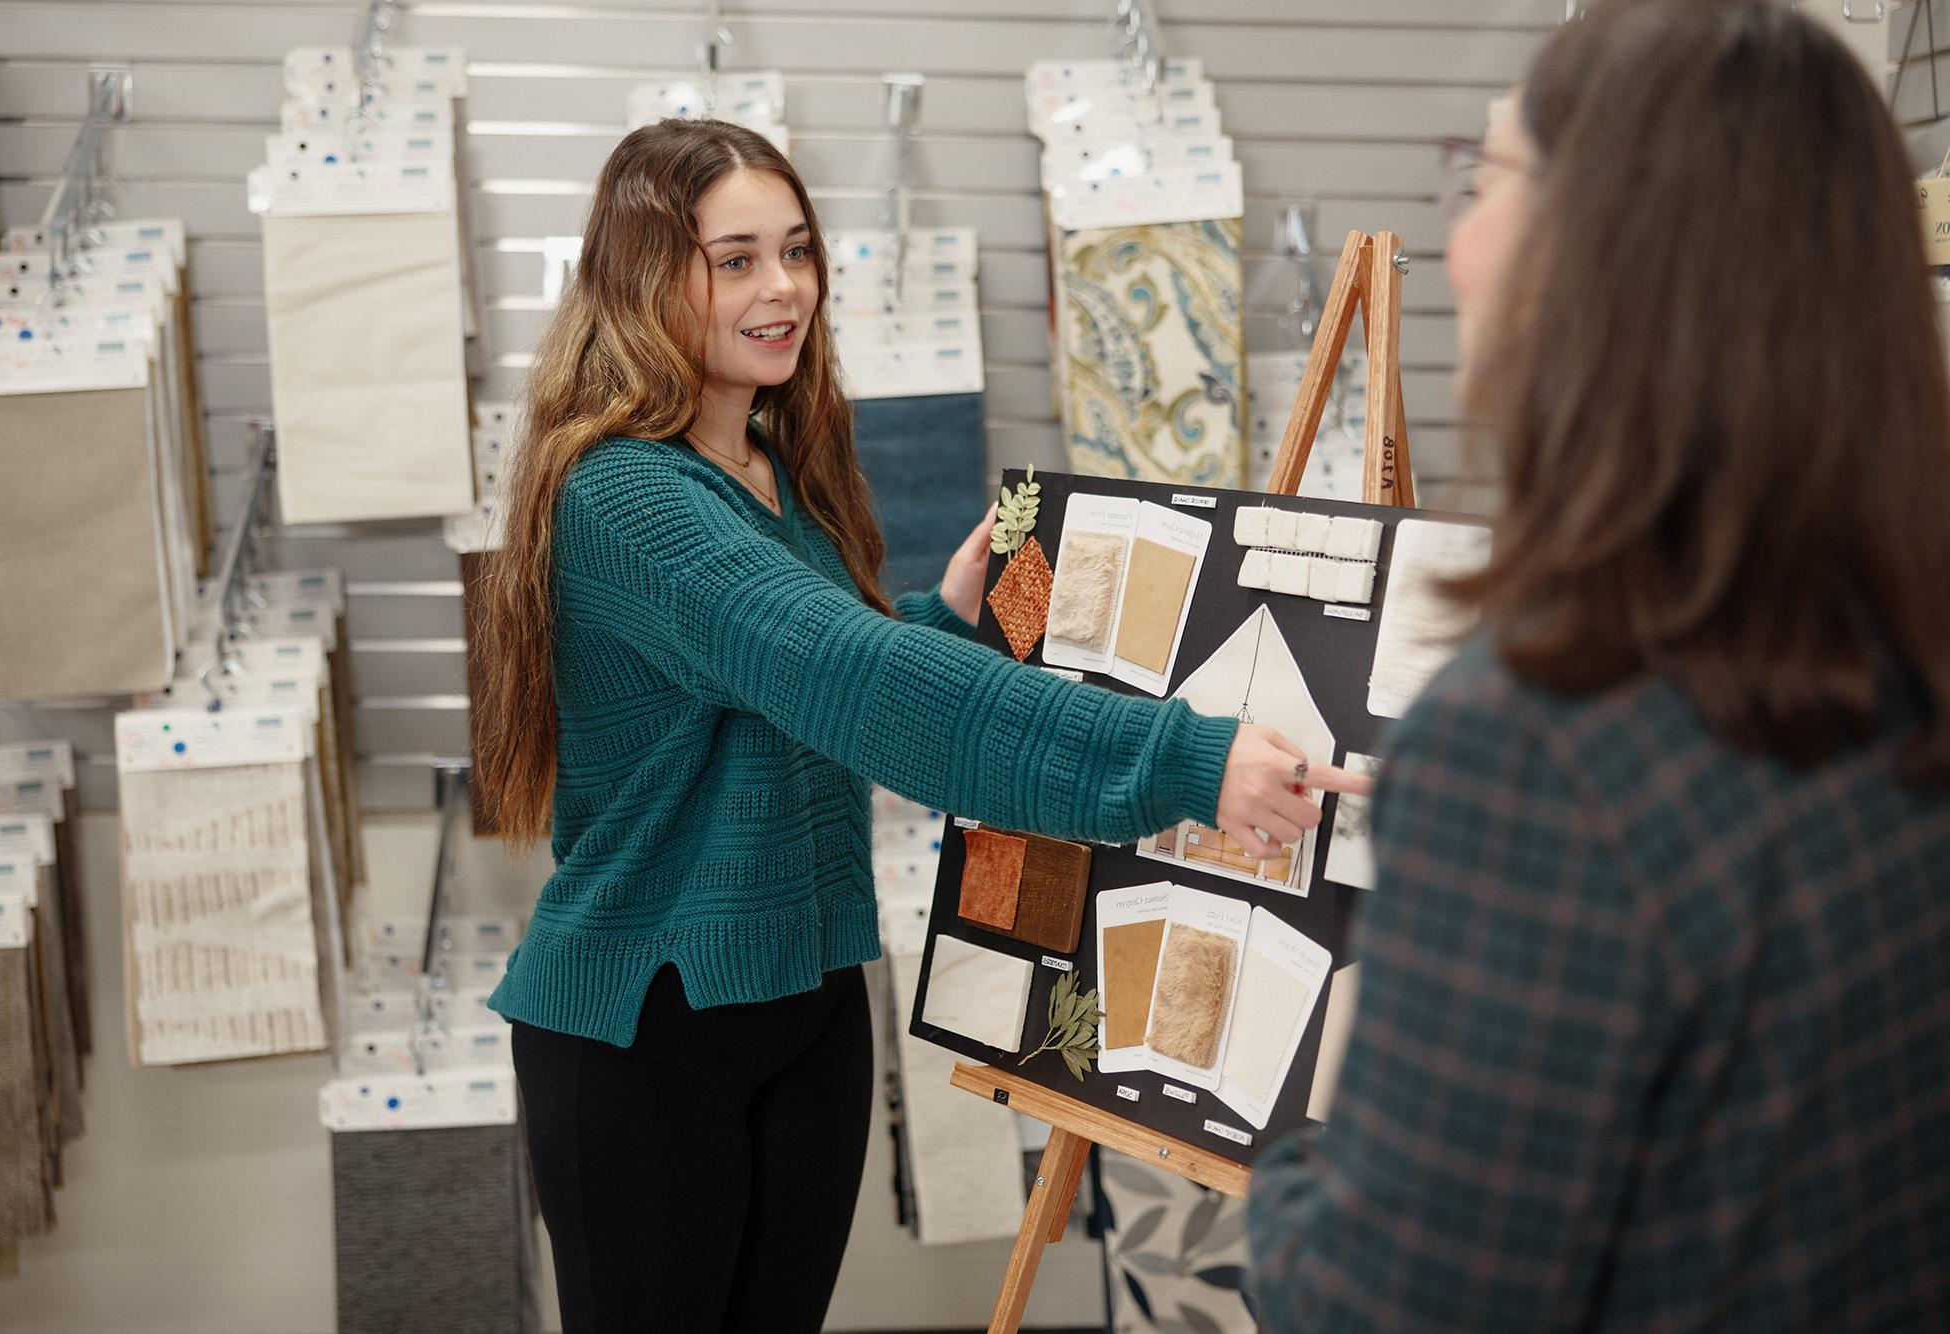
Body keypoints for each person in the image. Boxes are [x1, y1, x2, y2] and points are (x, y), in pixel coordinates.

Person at [470, 118, 1369, 1333]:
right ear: (639, 280)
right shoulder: (623, 495)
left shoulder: (768, 467)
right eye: (732, 259)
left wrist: (942, 614)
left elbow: (789, 691)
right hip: (648, 1032)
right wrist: (1183, 758)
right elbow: (844, 673)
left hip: (808, 1004)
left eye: (794, 250)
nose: (782, 287)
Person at [1248, 1, 1950, 1330]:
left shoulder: (1536, 746)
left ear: (1610, 254)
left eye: (1486, 180)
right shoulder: (1902, 642)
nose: (1455, 241)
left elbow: (1379, 1307)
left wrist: (1305, 1133)